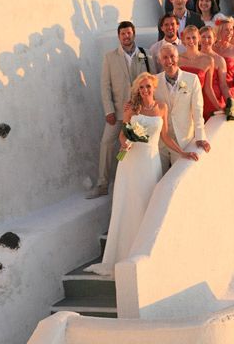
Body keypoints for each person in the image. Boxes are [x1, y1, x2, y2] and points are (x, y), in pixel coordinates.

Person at [85, 73, 198, 275]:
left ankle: (143, 252)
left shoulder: (162, 107)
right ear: (138, 89)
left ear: (154, 87)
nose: (145, 90)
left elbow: (165, 136)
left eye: (148, 86)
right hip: (130, 161)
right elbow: (122, 133)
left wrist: (182, 152)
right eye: (142, 87)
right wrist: (125, 144)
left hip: (150, 160)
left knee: (147, 202)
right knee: (129, 204)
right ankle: (124, 255)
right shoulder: (131, 108)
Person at [87, 21, 154, 199]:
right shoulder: (110, 57)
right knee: (107, 143)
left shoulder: (145, 55)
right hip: (117, 112)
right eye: (123, 34)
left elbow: (152, 81)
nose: (126, 36)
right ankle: (102, 184)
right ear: (119, 36)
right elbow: (105, 85)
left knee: (138, 146)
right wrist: (108, 110)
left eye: (129, 33)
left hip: (141, 111)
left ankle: (132, 184)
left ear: (134, 34)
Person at [155, 44, 210, 173]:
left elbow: (197, 109)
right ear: (160, 60)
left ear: (178, 57)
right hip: (161, 140)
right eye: (165, 57)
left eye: (172, 56)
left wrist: (200, 136)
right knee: (158, 175)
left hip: (183, 139)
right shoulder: (155, 81)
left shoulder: (192, 79)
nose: (169, 61)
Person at [179, 25, 220, 121]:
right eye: (188, 38)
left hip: (199, 103)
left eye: (193, 37)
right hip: (181, 104)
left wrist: (219, 107)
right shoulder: (178, 59)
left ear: (199, 39)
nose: (191, 41)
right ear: (183, 41)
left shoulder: (208, 60)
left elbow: (208, 88)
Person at [201, 24, 234, 108]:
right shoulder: (194, 58)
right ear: (199, 39)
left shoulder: (219, 60)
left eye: (209, 37)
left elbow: (223, 85)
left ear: (214, 39)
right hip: (197, 99)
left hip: (214, 100)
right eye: (203, 37)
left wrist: (230, 104)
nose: (206, 40)